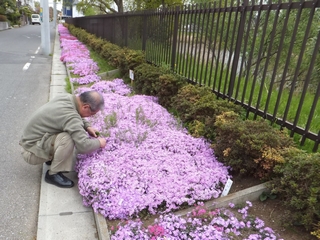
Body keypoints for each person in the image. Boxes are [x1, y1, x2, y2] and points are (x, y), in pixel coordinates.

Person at [19, 90, 106, 188]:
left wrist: (87, 126)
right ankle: (53, 174)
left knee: (67, 131)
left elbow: (74, 115)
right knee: (68, 138)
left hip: (30, 142)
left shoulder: (67, 98)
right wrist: (99, 142)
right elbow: (84, 146)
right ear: (85, 107)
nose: (91, 116)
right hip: (31, 153)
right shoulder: (71, 117)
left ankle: (52, 158)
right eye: (92, 113)